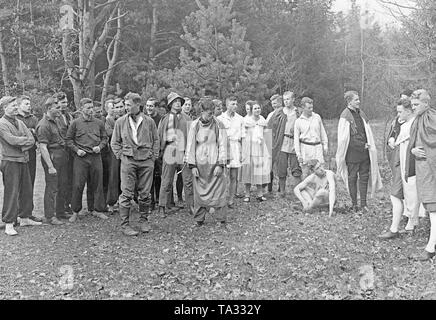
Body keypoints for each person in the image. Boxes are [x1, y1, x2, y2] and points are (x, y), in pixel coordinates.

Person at [111, 92, 160, 236]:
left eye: (128, 105)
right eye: (125, 105)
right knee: (126, 193)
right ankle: (125, 225)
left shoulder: (149, 121)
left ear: (138, 105)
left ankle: (144, 220)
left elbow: (156, 140)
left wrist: (153, 156)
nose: (126, 108)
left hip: (146, 161)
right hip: (128, 161)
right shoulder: (120, 122)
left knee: (145, 193)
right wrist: (121, 155)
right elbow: (114, 142)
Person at [379, 99, 420, 239]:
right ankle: (398, 227)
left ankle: (409, 225)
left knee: (411, 195)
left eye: (400, 111)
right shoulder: (404, 124)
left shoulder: (415, 124)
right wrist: (392, 140)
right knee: (397, 195)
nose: (398, 114)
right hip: (401, 164)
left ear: (409, 111)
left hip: (411, 166)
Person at [336, 91, 383, 213]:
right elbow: (344, 138)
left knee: (364, 177)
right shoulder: (345, 116)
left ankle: (363, 204)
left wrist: (367, 145)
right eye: (356, 100)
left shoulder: (361, 113)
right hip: (352, 154)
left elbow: (366, 131)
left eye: (358, 99)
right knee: (352, 178)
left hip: (365, 153)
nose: (359, 101)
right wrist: (362, 145)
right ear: (349, 101)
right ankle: (354, 204)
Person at [0, 96, 41, 235]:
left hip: (23, 159)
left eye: (16, 105)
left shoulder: (19, 122)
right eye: (13, 106)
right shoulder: (2, 123)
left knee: (26, 189)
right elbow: (11, 140)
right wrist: (24, 143)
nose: (16, 108)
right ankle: (9, 223)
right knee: (11, 192)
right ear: (5, 108)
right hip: (10, 161)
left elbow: (31, 139)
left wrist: (21, 144)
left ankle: (24, 217)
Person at [186, 98, 228, 226]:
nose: (211, 116)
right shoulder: (194, 125)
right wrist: (192, 166)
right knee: (199, 191)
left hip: (214, 163)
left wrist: (220, 164)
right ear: (202, 112)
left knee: (219, 190)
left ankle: (221, 218)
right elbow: (190, 145)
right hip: (200, 164)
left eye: (212, 113)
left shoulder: (219, 124)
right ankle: (199, 219)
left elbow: (223, 145)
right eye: (209, 113)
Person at [66, 98, 109, 223]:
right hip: (81, 158)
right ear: (81, 109)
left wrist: (99, 147)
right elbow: (69, 140)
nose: (91, 110)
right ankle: (75, 211)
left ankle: (96, 209)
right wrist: (77, 150)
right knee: (78, 184)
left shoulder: (99, 123)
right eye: (88, 108)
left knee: (97, 184)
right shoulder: (75, 123)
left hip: (96, 157)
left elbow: (104, 138)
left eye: (92, 108)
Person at [406, 89, 436, 260]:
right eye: (412, 105)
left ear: (426, 103)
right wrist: (413, 150)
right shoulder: (418, 119)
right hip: (423, 169)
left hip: (431, 169)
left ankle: (431, 246)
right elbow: (414, 143)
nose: (414, 107)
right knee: (431, 206)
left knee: (433, 207)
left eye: (417, 105)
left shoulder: (432, 118)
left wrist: (424, 151)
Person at [157, 92, 193, 217]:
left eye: (179, 101)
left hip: (184, 151)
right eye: (175, 101)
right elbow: (160, 136)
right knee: (166, 180)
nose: (178, 103)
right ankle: (162, 206)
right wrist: (160, 152)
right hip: (170, 150)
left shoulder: (187, 119)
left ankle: (191, 206)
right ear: (170, 104)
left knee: (188, 180)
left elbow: (192, 136)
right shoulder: (165, 119)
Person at [35, 97, 70, 225]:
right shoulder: (43, 125)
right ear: (49, 108)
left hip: (61, 155)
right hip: (53, 157)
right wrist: (50, 166)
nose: (60, 110)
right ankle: (50, 216)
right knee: (52, 187)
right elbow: (43, 147)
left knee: (62, 185)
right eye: (57, 107)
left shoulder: (56, 121)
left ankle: (60, 212)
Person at [267, 91, 302, 195]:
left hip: (295, 143)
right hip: (282, 143)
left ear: (293, 99)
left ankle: (298, 192)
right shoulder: (279, 112)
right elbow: (269, 127)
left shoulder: (298, 112)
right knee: (281, 167)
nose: (286, 101)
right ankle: (282, 191)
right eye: (285, 99)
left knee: (296, 168)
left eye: (288, 99)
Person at [16, 95, 43, 222]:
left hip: (31, 154)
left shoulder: (34, 119)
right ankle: (16, 214)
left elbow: (38, 135)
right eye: (26, 104)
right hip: (17, 154)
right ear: (19, 105)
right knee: (17, 184)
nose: (29, 106)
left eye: (29, 103)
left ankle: (28, 212)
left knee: (30, 183)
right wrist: (28, 133)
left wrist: (31, 133)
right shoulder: (14, 118)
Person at [217, 96, 245, 208]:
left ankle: (231, 199)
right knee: (223, 175)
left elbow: (243, 137)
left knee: (234, 176)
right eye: (232, 104)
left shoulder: (240, 119)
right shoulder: (220, 118)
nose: (235, 106)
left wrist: (242, 152)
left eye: (236, 104)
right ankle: (221, 198)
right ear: (227, 105)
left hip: (236, 147)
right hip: (224, 147)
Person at [240, 101, 270, 202]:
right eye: (255, 108)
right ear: (251, 110)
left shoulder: (262, 120)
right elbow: (243, 135)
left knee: (259, 170)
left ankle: (259, 194)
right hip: (249, 148)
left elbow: (266, 134)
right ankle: (247, 194)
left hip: (260, 148)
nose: (257, 110)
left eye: (258, 108)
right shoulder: (246, 121)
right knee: (248, 170)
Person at [294, 96, 329, 179]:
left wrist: (325, 145)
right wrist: (299, 154)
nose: (311, 109)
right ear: (303, 107)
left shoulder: (317, 117)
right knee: (306, 174)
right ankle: (306, 191)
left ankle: (319, 191)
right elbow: (296, 140)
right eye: (309, 108)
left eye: (312, 107)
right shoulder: (298, 121)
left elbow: (322, 132)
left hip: (317, 147)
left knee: (320, 172)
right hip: (305, 148)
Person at [54, 92, 74, 215]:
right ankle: (58, 208)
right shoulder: (55, 118)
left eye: (66, 102)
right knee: (60, 181)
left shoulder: (69, 116)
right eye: (62, 103)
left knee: (69, 179)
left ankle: (68, 204)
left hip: (70, 152)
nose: (64, 105)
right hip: (60, 151)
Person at [105, 98, 124, 214]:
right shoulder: (109, 120)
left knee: (127, 175)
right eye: (115, 107)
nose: (118, 109)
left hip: (127, 150)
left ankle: (125, 200)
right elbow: (109, 133)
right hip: (114, 151)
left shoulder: (128, 119)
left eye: (120, 107)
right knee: (114, 175)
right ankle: (112, 202)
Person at [145, 97, 162, 211]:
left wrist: (157, 152)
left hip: (158, 152)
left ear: (155, 107)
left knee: (159, 177)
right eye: (147, 106)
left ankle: (160, 201)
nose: (149, 108)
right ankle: (150, 203)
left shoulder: (161, 119)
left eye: (151, 106)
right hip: (146, 153)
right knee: (148, 178)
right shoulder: (144, 119)